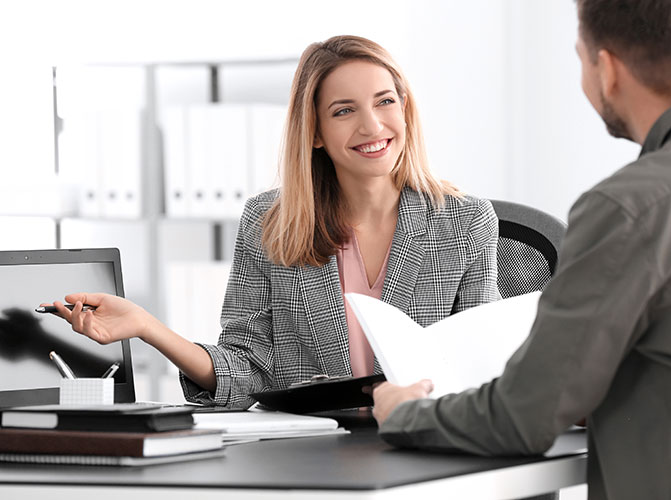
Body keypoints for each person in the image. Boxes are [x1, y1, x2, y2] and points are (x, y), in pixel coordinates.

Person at [372, 1, 671, 499]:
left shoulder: (628, 208)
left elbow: (522, 418)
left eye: (580, 58)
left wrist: (404, 414)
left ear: (607, 68)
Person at [49, 35, 500, 408]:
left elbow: (481, 368)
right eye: (344, 110)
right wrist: (148, 327)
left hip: (425, 444)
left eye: (385, 102)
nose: (372, 125)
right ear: (316, 132)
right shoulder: (271, 222)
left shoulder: (463, 223)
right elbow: (246, 369)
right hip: (312, 451)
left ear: (404, 109)